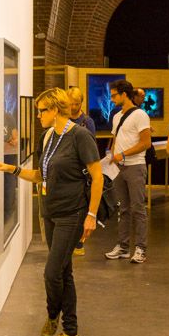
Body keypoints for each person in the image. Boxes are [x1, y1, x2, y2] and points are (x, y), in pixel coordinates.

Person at [0, 87, 103, 336]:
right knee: (64, 271)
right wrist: (11, 169)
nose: (38, 115)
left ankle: (53, 316)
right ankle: (70, 331)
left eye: (41, 111)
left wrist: (91, 215)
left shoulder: (80, 136)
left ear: (55, 110)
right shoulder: (48, 136)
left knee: (52, 273)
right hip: (49, 212)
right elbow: (41, 175)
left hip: (72, 214)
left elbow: (97, 177)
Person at [105, 80, 151, 264]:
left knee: (138, 209)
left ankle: (141, 248)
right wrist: (112, 155)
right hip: (119, 168)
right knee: (122, 209)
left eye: (114, 95)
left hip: (135, 166)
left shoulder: (140, 115)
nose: (112, 98)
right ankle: (123, 247)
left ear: (124, 94)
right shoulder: (116, 117)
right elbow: (116, 138)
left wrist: (122, 154)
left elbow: (145, 143)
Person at [67, 86, 96, 256]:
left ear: (81, 103)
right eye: (70, 104)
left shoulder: (87, 122)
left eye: (75, 104)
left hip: (82, 170)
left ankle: (79, 242)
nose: (72, 107)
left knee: (81, 206)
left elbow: (91, 147)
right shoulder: (63, 119)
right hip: (67, 168)